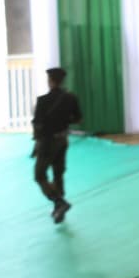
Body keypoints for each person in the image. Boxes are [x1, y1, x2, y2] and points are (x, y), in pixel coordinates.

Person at [31, 66, 82, 223]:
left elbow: (37, 124)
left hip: (47, 142)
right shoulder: (71, 98)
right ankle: (59, 211)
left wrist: (37, 144)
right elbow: (78, 118)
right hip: (62, 140)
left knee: (40, 175)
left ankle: (59, 202)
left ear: (50, 80)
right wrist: (64, 121)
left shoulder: (43, 100)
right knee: (58, 174)